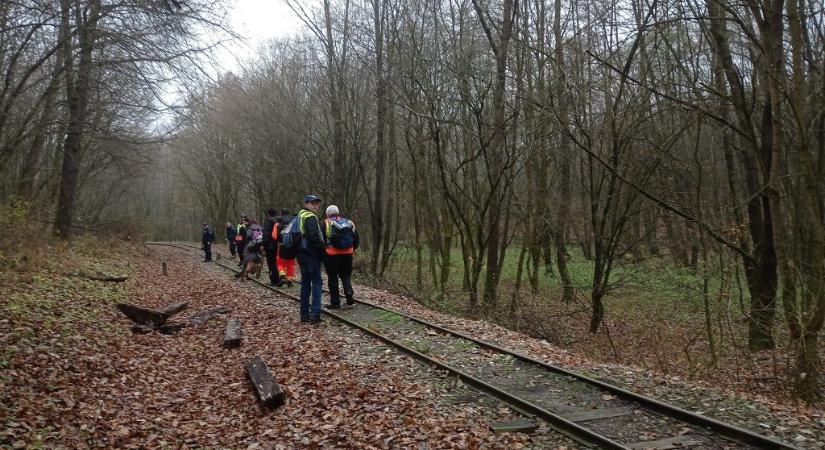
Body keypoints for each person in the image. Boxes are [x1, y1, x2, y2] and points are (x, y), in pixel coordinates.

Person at [322, 205, 359, 308]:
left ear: (328, 214)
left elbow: (321, 240)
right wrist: (352, 250)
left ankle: (335, 303)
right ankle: (348, 293)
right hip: (347, 255)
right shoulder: (349, 223)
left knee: (333, 278)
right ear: (338, 212)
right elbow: (356, 238)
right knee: (346, 276)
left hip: (332, 255)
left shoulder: (326, 223)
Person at [297, 195, 325, 323]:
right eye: (313, 203)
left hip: (301, 254)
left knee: (305, 283)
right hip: (311, 254)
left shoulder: (299, 215)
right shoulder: (310, 217)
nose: (316, 205)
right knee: (317, 283)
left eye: (317, 203)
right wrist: (323, 251)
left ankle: (304, 315)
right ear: (306, 203)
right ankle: (315, 314)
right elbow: (314, 237)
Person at [276, 208, 296, 287]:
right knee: (290, 264)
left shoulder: (279, 224)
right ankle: (289, 280)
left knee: (280, 263)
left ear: (281, 213)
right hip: (291, 246)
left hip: (282, 245)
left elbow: (275, 236)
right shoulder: (293, 222)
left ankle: (282, 276)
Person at [262, 208, 280, 286]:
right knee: (276, 262)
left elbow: (266, 234)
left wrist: (263, 245)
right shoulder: (279, 220)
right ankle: (279, 278)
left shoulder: (268, 221)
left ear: (268, 214)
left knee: (271, 262)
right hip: (278, 244)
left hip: (270, 245)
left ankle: (274, 280)